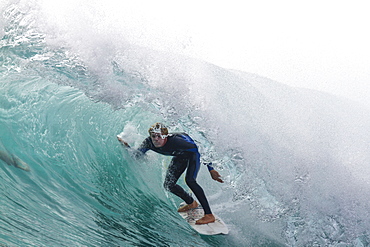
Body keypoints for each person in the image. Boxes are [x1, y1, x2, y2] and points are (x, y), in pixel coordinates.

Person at [117, 122, 223, 224]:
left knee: (190, 180)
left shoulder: (178, 142)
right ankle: (191, 203)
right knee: (168, 185)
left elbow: (201, 149)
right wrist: (126, 147)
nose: (156, 139)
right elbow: (138, 156)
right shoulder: (148, 142)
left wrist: (211, 169)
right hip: (180, 155)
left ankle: (209, 215)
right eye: (153, 136)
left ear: (165, 136)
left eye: (159, 136)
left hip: (192, 154)